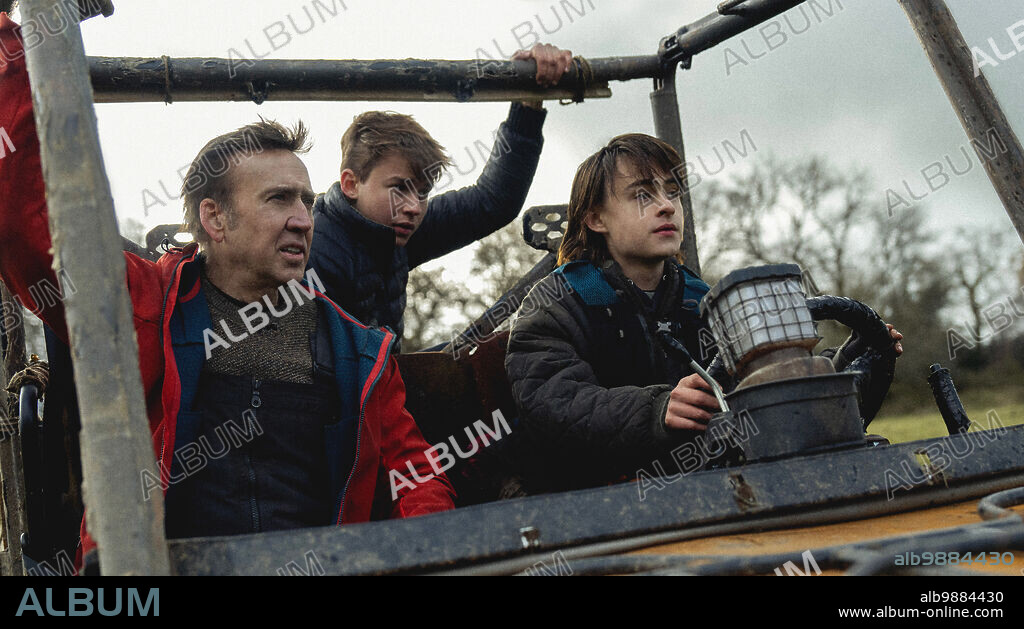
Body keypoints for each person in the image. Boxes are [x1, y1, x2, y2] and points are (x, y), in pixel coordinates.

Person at [0, 13, 454, 570]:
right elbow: (29, 224)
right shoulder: (146, 306)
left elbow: (417, 476)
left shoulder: (361, 351)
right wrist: (14, 54)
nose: (303, 220)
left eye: (307, 203)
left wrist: (433, 554)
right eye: (279, 199)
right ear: (214, 219)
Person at [503, 133, 904, 493]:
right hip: (581, 505)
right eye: (642, 194)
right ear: (595, 218)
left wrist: (843, 366)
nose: (665, 206)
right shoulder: (556, 303)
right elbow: (554, 405)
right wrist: (656, 411)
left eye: (672, 192)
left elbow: (754, 384)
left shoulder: (699, 298)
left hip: (702, 492)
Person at [307, 44, 574, 352]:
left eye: (422, 193)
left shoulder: (395, 231)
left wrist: (528, 103)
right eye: (399, 188)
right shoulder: (315, 250)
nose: (413, 207)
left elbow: (492, 202)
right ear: (351, 184)